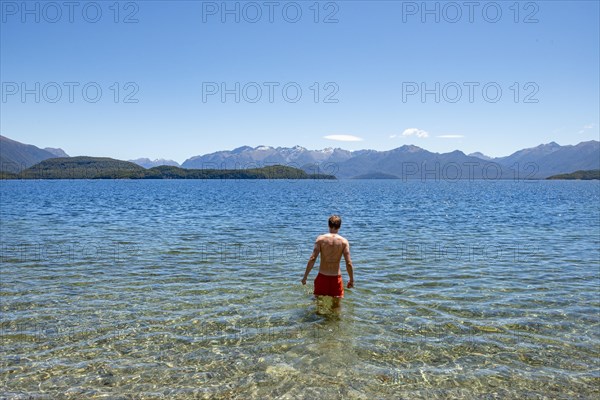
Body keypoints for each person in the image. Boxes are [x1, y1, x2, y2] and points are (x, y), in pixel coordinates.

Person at [301, 215, 354, 308]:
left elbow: (312, 258)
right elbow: (348, 263)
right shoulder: (344, 242)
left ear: (328, 225)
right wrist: (351, 280)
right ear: (340, 226)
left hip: (322, 277)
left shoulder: (320, 239)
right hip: (336, 279)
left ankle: (317, 322)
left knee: (318, 307)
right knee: (336, 308)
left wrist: (305, 277)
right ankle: (334, 322)